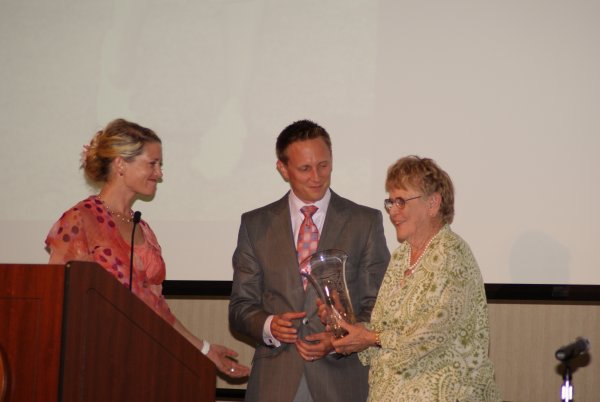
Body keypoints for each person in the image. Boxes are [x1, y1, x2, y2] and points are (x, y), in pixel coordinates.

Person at [45, 118, 250, 378]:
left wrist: (205, 349)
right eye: (152, 164)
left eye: (160, 165)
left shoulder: (143, 229)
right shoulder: (80, 220)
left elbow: (155, 306)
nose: (159, 173)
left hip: (144, 362)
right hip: (94, 367)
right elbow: (60, 302)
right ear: (121, 164)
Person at [228, 119, 390, 402]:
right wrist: (269, 325)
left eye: (323, 165)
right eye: (305, 168)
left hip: (342, 381)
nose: (317, 176)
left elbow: (380, 305)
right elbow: (241, 308)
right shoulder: (255, 225)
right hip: (274, 381)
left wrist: (340, 340)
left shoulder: (364, 222)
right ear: (282, 168)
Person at [323, 155, 502, 401]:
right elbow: (383, 331)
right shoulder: (401, 257)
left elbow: (429, 335)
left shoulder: (452, 254)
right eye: (391, 202)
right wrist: (346, 324)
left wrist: (371, 338)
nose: (393, 211)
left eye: (401, 202)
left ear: (432, 203)